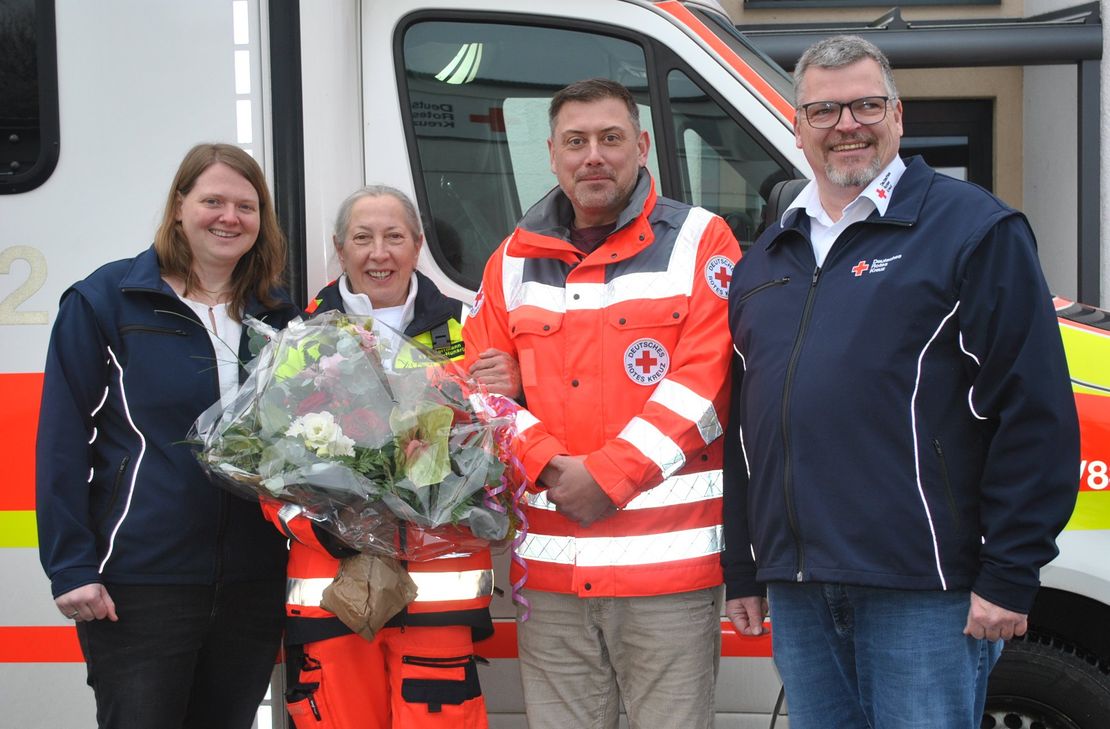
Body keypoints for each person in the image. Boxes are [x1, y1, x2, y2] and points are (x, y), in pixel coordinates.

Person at [722, 35, 1080, 728]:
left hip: (924, 587)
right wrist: (745, 564)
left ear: (898, 115)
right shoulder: (768, 255)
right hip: (799, 587)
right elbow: (747, 422)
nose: (846, 125)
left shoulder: (975, 229)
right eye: (824, 111)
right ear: (797, 128)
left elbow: (1034, 412)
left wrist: (1009, 574)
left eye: (865, 105)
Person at [463, 78, 741, 729]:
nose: (595, 155)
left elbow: (711, 383)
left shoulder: (702, 239)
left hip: (667, 573)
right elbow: (479, 388)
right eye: (576, 141)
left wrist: (606, 479)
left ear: (641, 146)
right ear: (553, 156)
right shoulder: (509, 261)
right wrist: (557, 471)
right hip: (553, 578)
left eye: (611, 138)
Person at [35, 142, 297, 729]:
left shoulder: (278, 317)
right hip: (142, 583)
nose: (230, 217)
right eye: (213, 201)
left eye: (246, 206)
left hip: (252, 584)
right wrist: (70, 566)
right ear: (179, 207)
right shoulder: (105, 301)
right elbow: (60, 442)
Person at [264, 185, 498, 729]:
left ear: (418, 246)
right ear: (339, 249)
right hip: (331, 587)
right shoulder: (298, 337)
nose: (379, 253)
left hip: (440, 592)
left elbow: (500, 446)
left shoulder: (471, 328)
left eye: (394, 237)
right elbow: (263, 464)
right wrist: (317, 525)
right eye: (362, 238)